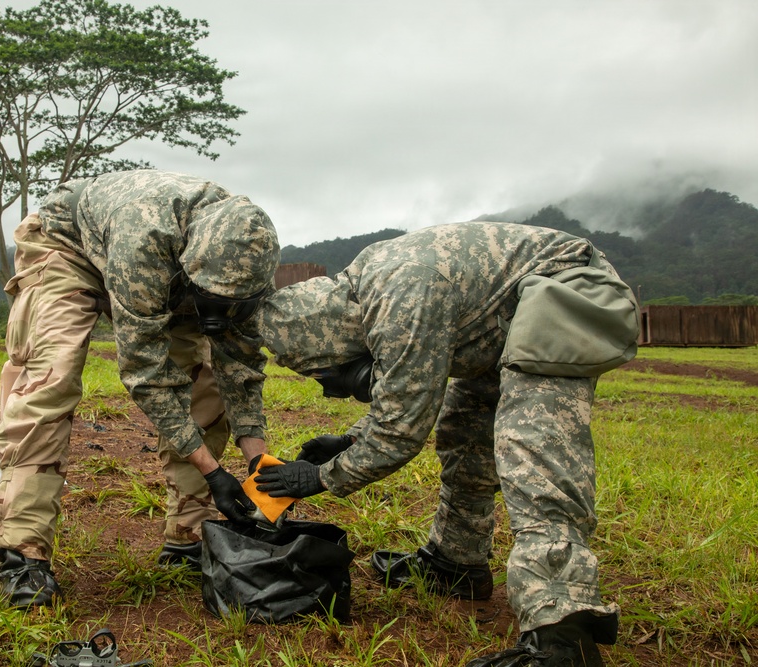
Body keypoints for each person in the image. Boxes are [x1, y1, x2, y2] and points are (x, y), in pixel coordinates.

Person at [253, 221, 639, 667]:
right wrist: (350, 440)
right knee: (465, 429)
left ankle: (563, 636)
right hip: (503, 318)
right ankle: (455, 564)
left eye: (328, 374)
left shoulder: (401, 298)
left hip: (563, 290)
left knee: (531, 446)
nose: (332, 388)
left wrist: (320, 477)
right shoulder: (368, 294)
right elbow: (407, 393)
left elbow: (402, 430)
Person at [0, 170, 278, 608]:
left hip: (177, 277)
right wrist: (215, 473)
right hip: (68, 246)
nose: (217, 316)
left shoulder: (247, 264)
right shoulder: (145, 239)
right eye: (213, 301)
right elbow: (146, 375)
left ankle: (188, 534)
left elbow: (242, 370)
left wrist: (259, 468)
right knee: (52, 377)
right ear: (192, 262)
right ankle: (22, 551)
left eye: (228, 305)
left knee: (206, 381)